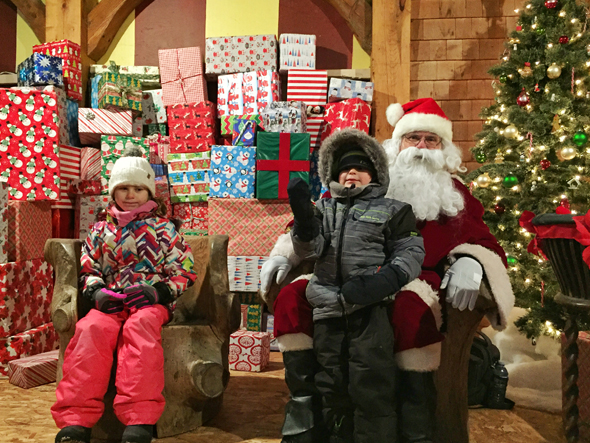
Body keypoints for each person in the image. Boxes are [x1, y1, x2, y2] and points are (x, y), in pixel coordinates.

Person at [261, 98, 515, 443]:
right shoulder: (365, 181)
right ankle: (307, 412)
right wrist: (285, 253)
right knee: (292, 297)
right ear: (397, 144)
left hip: (417, 279)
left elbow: (480, 237)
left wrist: (472, 260)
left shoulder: (455, 195)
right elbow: (314, 222)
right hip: (341, 275)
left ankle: (414, 421)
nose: (421, 148)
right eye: (413, 138)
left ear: (444, 148)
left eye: (431, 139)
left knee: (411, 312)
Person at [287, 128, 425, 442]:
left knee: (372, 385)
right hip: (327, 311)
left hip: (370, 309)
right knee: (331, 384)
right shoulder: (323, 209)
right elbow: (308, 251)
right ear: (334, 175)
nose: (352, 172)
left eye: (361, 168)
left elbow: (411, 252)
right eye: (345, 168)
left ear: (374, 174)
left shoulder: (393, 210)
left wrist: (383, 281)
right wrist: (304, 222)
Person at [51, 147, 197, 443]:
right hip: (111, 301)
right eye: (123, 188)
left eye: (138, 188)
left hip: (149, 303)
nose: (130, 195)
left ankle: (139, 419)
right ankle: (76, 420)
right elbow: (88, 266)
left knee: (139, 329)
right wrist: (95, 291)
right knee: (90, 329)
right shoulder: (100, 230)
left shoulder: (165, 230)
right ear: (114, 191)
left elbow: (185, 269)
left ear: (149, 193)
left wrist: (160, 292)